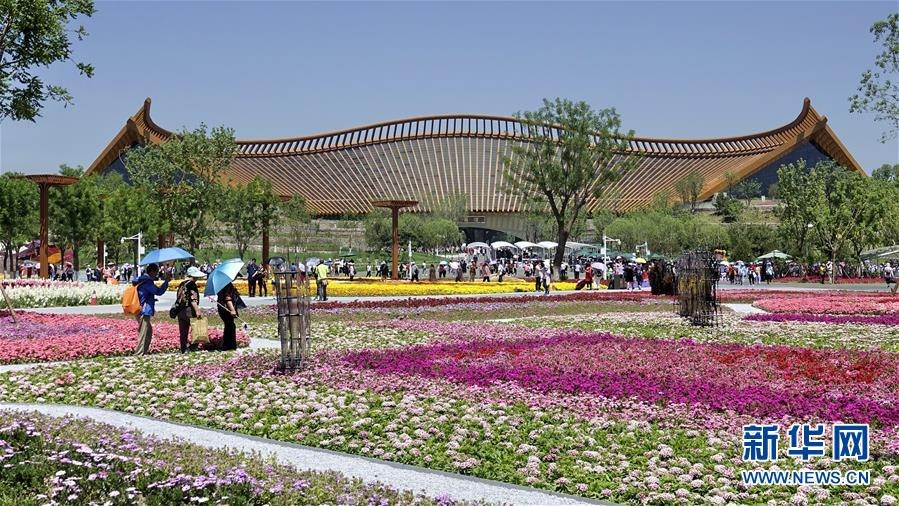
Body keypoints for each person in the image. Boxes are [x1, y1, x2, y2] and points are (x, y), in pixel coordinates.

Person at [133, 263, 171, 356]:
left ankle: (144, 351)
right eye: (156, 272)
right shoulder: (147, 281)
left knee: (148, 331)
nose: (157, 274)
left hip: (139, 308)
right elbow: (158, 291)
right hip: (144, 310)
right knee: (144, 332)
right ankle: (139, 353)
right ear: (152, 271)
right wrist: (166, 282)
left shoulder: (141, 280)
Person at [175, 266, 205, 353]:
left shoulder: (182, 284)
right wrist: (197, 310)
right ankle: (192, 347)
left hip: (180, 310)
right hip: (189, 310)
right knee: (197, 329)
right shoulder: (191, 284)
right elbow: (193, 299)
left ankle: (183, 349)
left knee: (183, 332)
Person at [217, 281, 240, 351]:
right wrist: (232, 310)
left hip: (221, 309)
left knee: (228, 326)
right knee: (230, 326)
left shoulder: (221, 284)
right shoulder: (227, 284)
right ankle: (229, 346)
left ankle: (227, 345)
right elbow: (228, 299)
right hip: (227, 309)